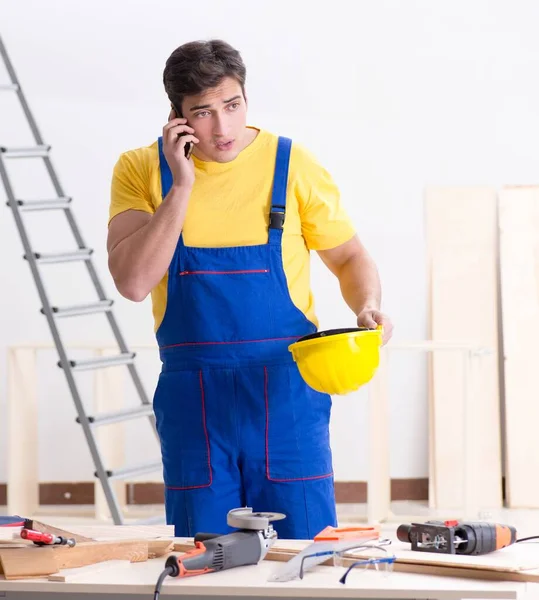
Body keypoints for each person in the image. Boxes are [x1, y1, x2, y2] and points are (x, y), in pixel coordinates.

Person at [107, 39, 393, 539]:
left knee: (306, 552)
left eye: (233, 105)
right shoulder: (140, 169)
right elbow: (132, 283)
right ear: (176, 116)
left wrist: (368, 305)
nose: (223, 128)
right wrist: (182, 187)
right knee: (207, 556)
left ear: (245, 97)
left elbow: (348, 256)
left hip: (286, 396)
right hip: (195, 402)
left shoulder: (292, 163)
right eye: (203, 113)